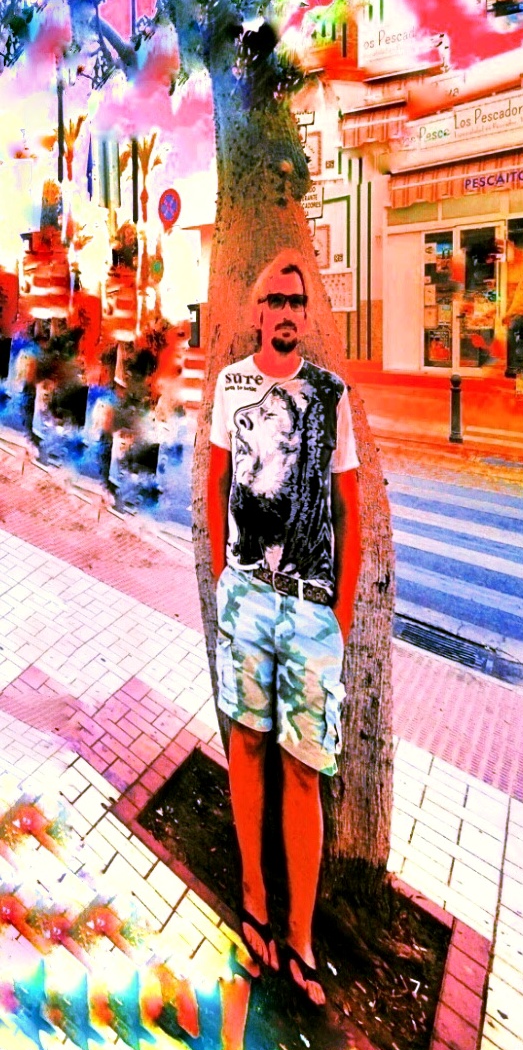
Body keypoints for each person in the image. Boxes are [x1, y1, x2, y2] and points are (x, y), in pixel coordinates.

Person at [206, 250, 362, 1008]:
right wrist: (222, 575)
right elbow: (215, 481)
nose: (287, 312)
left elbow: (348, 506)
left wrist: (340, 612)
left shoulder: (331, 396)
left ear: (306, 313)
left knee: (304, 767)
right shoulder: (231, 386)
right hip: (246, 597)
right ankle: (254, 897)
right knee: (246, 745)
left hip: (309, 608)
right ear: (258, 310)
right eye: (276, 299)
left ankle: (300, 933)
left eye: (298, 301)